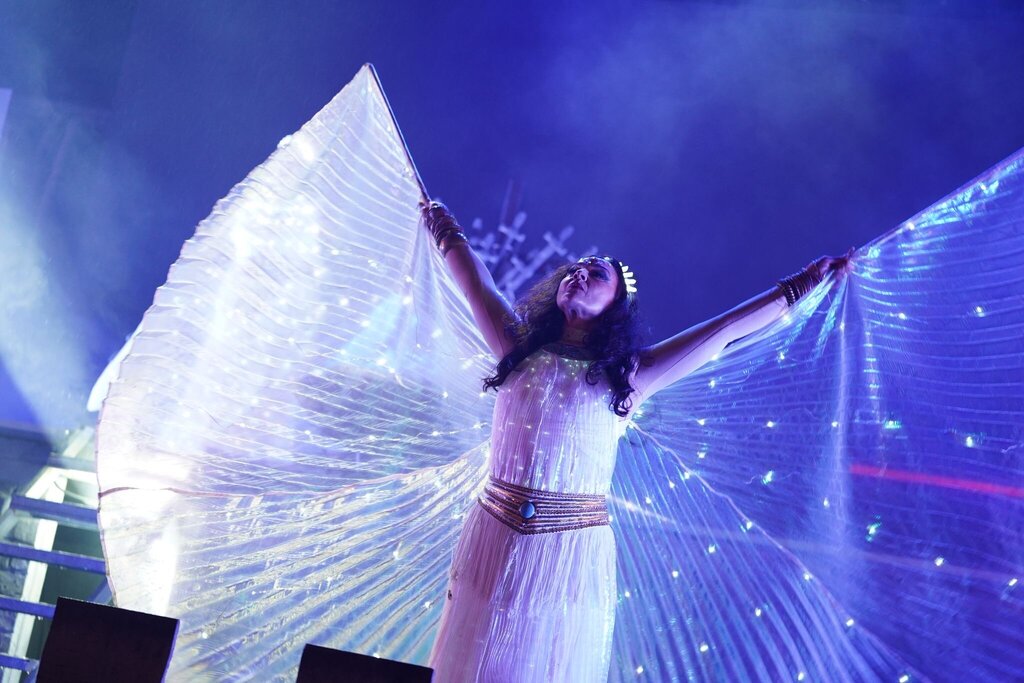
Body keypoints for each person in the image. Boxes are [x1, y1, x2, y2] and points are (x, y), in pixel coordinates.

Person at [421, 200, 851, 681]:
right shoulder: (517, 347)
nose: (580, 273)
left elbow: (722, 331)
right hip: (493, 532)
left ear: (616, 306)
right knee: (472, 654)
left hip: (568, 547)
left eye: (596, 273)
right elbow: (477, 283)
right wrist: (441, 221)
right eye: (576, 268)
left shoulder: (627, 376)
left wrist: (803, 283)